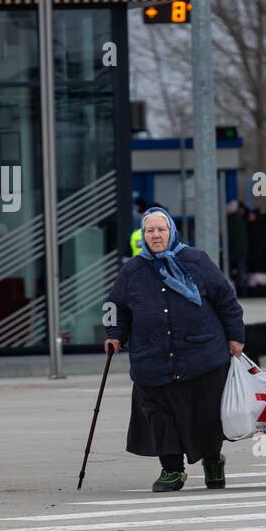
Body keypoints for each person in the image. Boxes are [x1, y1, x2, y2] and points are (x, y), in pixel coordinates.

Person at [104, 207, 246, 493]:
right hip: (152, 360)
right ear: (143, 235)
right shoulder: (132, 269)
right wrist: (114, 334)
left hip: (202, 356)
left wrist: (236, 337)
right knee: (160, 416)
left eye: (161, 229)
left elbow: (226, 300)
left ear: (172, 231)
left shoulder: (197, 261)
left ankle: (212, 461)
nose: (156, 235)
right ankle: (171, 469)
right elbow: (114, 306)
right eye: (150, 231)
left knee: (206, 415)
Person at [226, 199, 248, 294]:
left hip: (235, 249)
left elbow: (229, 235)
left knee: (233, 269)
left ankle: (239, 290)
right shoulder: (240, 219)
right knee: (241, 269)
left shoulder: (231, 220)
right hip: (242, 249)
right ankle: (243, 290)